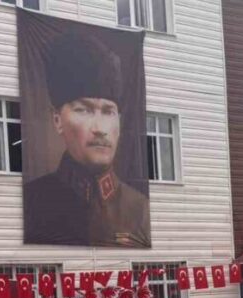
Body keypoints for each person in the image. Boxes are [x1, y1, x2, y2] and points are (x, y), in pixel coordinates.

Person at [23, 30, 149, 249]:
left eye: (108, 112)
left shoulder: (140, 209)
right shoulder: (32, 203)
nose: (100, 129)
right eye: (84, 110)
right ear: (57, 119)